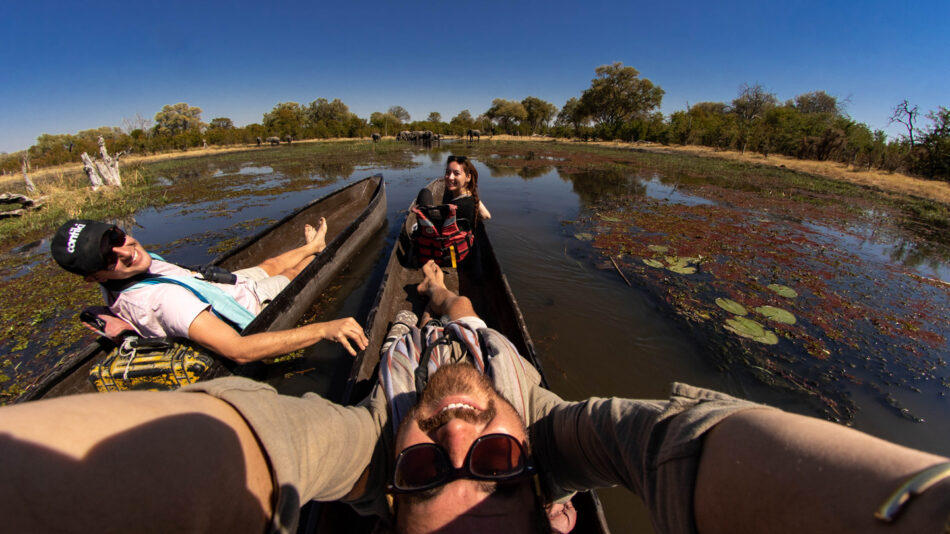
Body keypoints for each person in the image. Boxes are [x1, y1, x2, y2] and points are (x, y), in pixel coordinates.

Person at [3, 260, 949, 533]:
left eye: (426, 471)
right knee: (462, 302)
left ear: (388, 487)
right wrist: (916, 507)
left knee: (424, 312)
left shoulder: (369, 445)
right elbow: (684, 442)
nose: (457, 435)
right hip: (479, 340)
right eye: (498, 469)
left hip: (417, 347)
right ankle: (442, 283)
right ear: (558, 504)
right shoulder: (556, 436)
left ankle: (426, 288)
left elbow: (239, 446)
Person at [50, 218, 368, 363]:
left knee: (270, 264)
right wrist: (325, 329)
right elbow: (239, 351)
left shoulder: (130, 273)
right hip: (248, 305)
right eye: (109, 258)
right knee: (294, 273)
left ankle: (313, 245)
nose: (126, 250)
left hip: (213, 288)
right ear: (93, 276)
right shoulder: (164, 300)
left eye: (116, 236)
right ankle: (314, 254)